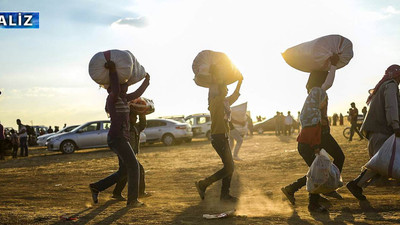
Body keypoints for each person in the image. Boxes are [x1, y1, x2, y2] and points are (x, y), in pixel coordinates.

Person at [281, 54, 344, 213]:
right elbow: (328, 83)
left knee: (319, 171)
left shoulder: (312, 97)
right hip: (314, 139)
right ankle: (314, 201)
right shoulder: (317, 92)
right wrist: (333, 66)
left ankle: (313, 189)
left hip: (315, 138)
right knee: (320, 171)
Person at [89, 56, 150, 207]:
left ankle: (97, 187)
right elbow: (116, 87)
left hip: (121, 138)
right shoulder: (113, 97)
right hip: (117, 138)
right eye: (123, 85)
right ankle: (133, 200)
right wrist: (113, 70)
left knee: (124, 170)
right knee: (134, 166)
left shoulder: (123, 98)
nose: (125, 86)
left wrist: (146, 82)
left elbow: (137, 94)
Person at [347, 64, 400, 201]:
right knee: (380, 164)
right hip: (381, 130)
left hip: (376, 131)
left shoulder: (381, 87)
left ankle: (357, 185)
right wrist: (395, 125)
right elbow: (391, 106)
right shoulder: (391, 85)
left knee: (380, 164)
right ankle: (355, 184)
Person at [195, 77, 243, 203]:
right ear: (220, 90)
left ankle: (224, 194)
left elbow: (235, 95)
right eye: (225, 88)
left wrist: (240, 81)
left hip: (224, 137)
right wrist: (217, 75)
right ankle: (204, 184)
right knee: (229, 167)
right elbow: (216, 91)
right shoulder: (214, 102)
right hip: (218, 137)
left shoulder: (225, 102)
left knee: (229, 166)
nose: (227, 90)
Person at [112, 109, 150, 200]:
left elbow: (143, 124)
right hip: (125, 154)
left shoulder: (135, 127)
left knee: (124, 173)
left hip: (130, 154)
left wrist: (142, 114)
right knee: (137, 170)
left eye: (137, 117)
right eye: (134, 116)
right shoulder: (125, 127)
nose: (136, 118)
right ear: (128, 117)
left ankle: (116, 192)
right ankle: (140, 192)